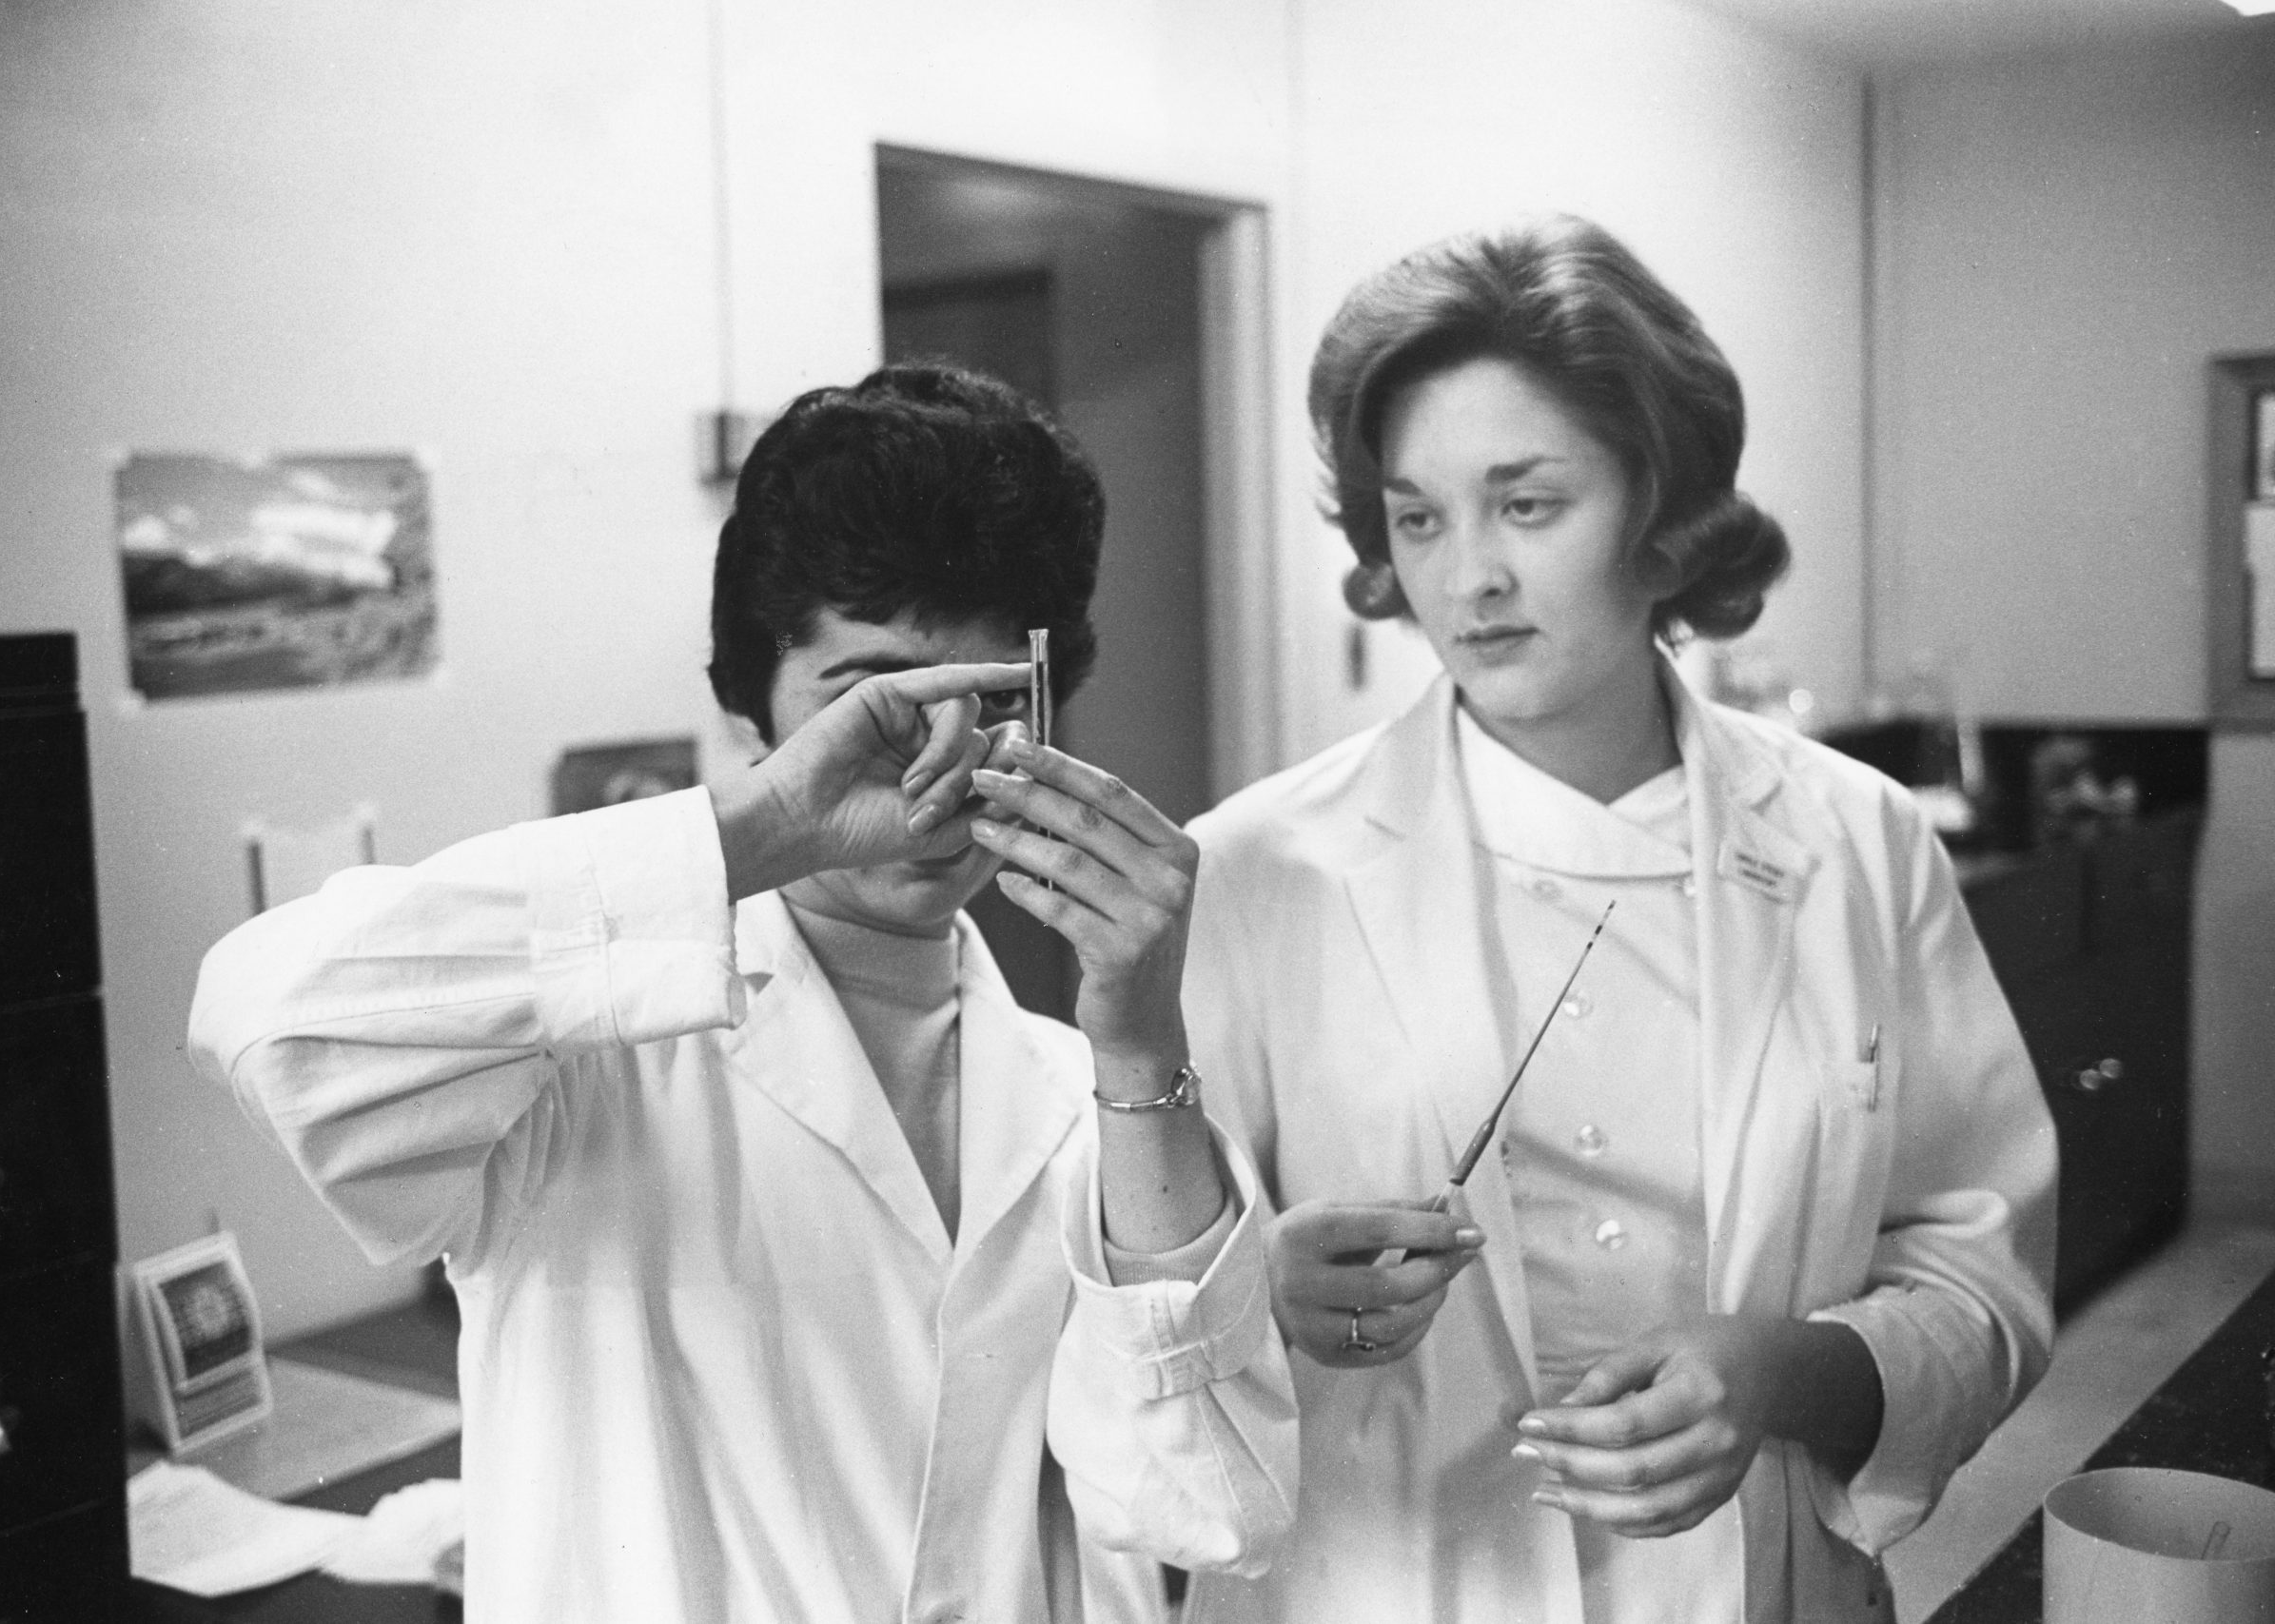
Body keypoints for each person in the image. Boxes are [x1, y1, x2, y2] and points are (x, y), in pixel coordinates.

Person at [188, 363, 1295, 1623]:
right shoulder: (581, 1061)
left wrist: (1144, 1051)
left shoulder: (1081, 1100)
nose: (937, 772)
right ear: (753, 708)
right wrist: (762, 831)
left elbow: (1209, 1513)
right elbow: (272, 1025)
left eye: (985, 706)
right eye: (874, 711)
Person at [1179, 218, 2055, 1622]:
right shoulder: (1253, 869)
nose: (1466, 579)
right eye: (1419, 517)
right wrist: (1257, 1290)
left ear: (1663, 519)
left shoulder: (1857, 843)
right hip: (1388, 1580)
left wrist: (1781, 1372)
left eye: (1528, 505)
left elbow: (1982, 1273)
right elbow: (1144, 1336)